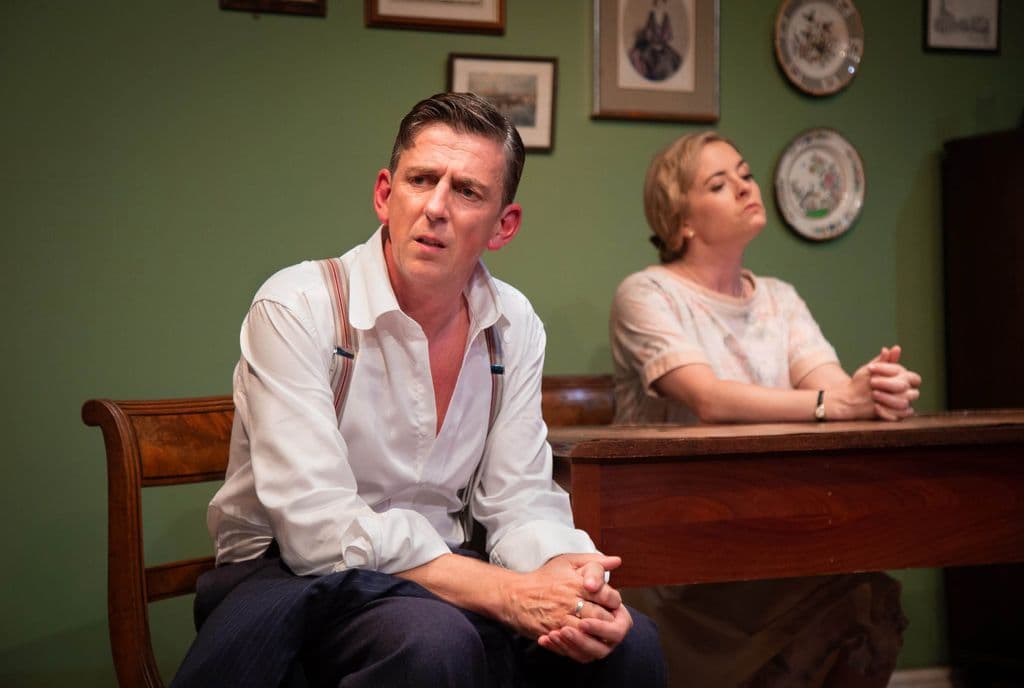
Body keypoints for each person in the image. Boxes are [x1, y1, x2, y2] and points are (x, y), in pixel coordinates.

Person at [170, 93, 665, 688]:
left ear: (503, 225)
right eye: (421, 179)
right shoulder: (298, 305)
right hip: (291, 577)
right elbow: (316, 528)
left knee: (627, 645)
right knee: (433, 642)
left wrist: (574, 582)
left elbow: (519, 498)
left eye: (467, 191)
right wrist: (506, 593)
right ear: (385, 194)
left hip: (449, 578)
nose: (435, 207)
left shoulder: (513, 325)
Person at [609, 131, 920, 687]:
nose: (745, 187)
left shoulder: (779, 298)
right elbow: (708, 397)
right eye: (718, 183)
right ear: (681, 219)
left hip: (773, 525)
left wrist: (873, 390)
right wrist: (836, 402)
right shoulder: (647, 293)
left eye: (746, 174)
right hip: (674, 543)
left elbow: (831, 387)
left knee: (869, 599)